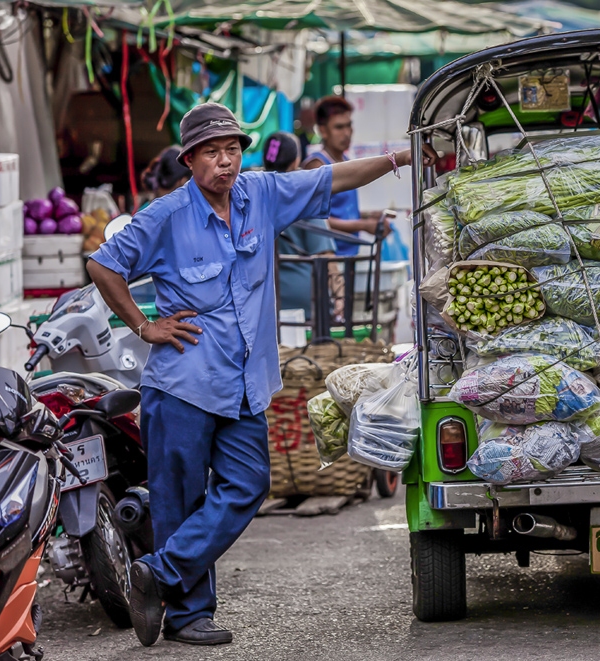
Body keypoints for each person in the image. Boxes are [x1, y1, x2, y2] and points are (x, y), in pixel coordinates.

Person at [86, 102, 437, 648]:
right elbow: (103, 264)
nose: (223, 162)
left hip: (246, 383)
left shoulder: (260, 196)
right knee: (179, 501)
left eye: (231, 150)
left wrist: (399, 158)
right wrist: (143, 325)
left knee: (248, 484)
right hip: (183, 385)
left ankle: (157, 570)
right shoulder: (166, 216)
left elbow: (331, 177)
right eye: (211, 153)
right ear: (189, 160)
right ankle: (188, 615)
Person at [263, 130, 344, 321]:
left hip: (265, 303)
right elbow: (325, 254)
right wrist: (340, 296)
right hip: (305, 306)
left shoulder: (254, 192)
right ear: (295, 161)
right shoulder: (301, 193)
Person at [303, 96, 391, 256]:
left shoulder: (346, 161)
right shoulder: (317, 165)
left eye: (349, 125)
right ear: (323, 130)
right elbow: (317, 221)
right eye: (339, 127)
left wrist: (370, 216)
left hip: (349, 254)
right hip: (329, 258)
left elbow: (339, 209)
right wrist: (363, 225)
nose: (346, 133)